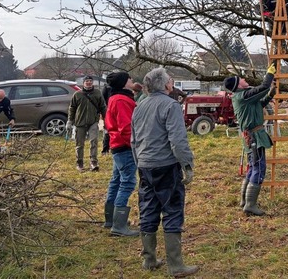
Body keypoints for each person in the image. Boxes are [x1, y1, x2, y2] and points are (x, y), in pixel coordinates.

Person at [131, 67, 198, 276]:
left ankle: (149, 260)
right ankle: (176, 266)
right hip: (166, 166)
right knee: (172, 210)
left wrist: (139, 162)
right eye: (170, 79)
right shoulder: (171, 105)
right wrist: (187, 165)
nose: (172, 82)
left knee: (148, 208)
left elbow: (133, 140)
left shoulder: (139, 106)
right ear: (165, 84)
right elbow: (178, 140)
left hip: (144, 165)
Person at [224, 62, 276, 216]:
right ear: (238, 85)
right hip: (254, 137)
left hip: (251, 136)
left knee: (253, 167)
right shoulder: (243, 95)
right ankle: (250, 204)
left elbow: (260, 103)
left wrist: (271, 93)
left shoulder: (245, 97)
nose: (244, 79)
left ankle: (244, 201)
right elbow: (263, 86)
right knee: (259, 168)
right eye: (240, 79)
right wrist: (270, 73)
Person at [103, 71, 139, 237]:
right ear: (125, 82)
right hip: (124, 146)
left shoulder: (114, 97)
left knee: (116, 181)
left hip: (116, 144)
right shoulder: (122, 100)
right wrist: (134, 144)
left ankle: (110, 219)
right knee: (127, 182)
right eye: (130, 78)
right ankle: (119, 225)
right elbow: (126, 127)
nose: (132, 80)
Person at [67, 75, 107, 172]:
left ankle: (94, 162)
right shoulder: (77, 94)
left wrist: (106, 120)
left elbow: (103, 107)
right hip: (80, 123)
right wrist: (69, 121)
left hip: (93, 122)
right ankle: (79, 163)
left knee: (94, 141)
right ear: (83, 83)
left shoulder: (97, 93)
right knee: (79, 144)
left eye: (90, 81)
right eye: (87, 81)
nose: (88, 82)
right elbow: (72, 108)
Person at [0, 89, 15, 154]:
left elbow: (8, 111)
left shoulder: (5, 101)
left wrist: (12, 119)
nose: (0, 100)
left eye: (2, 98)